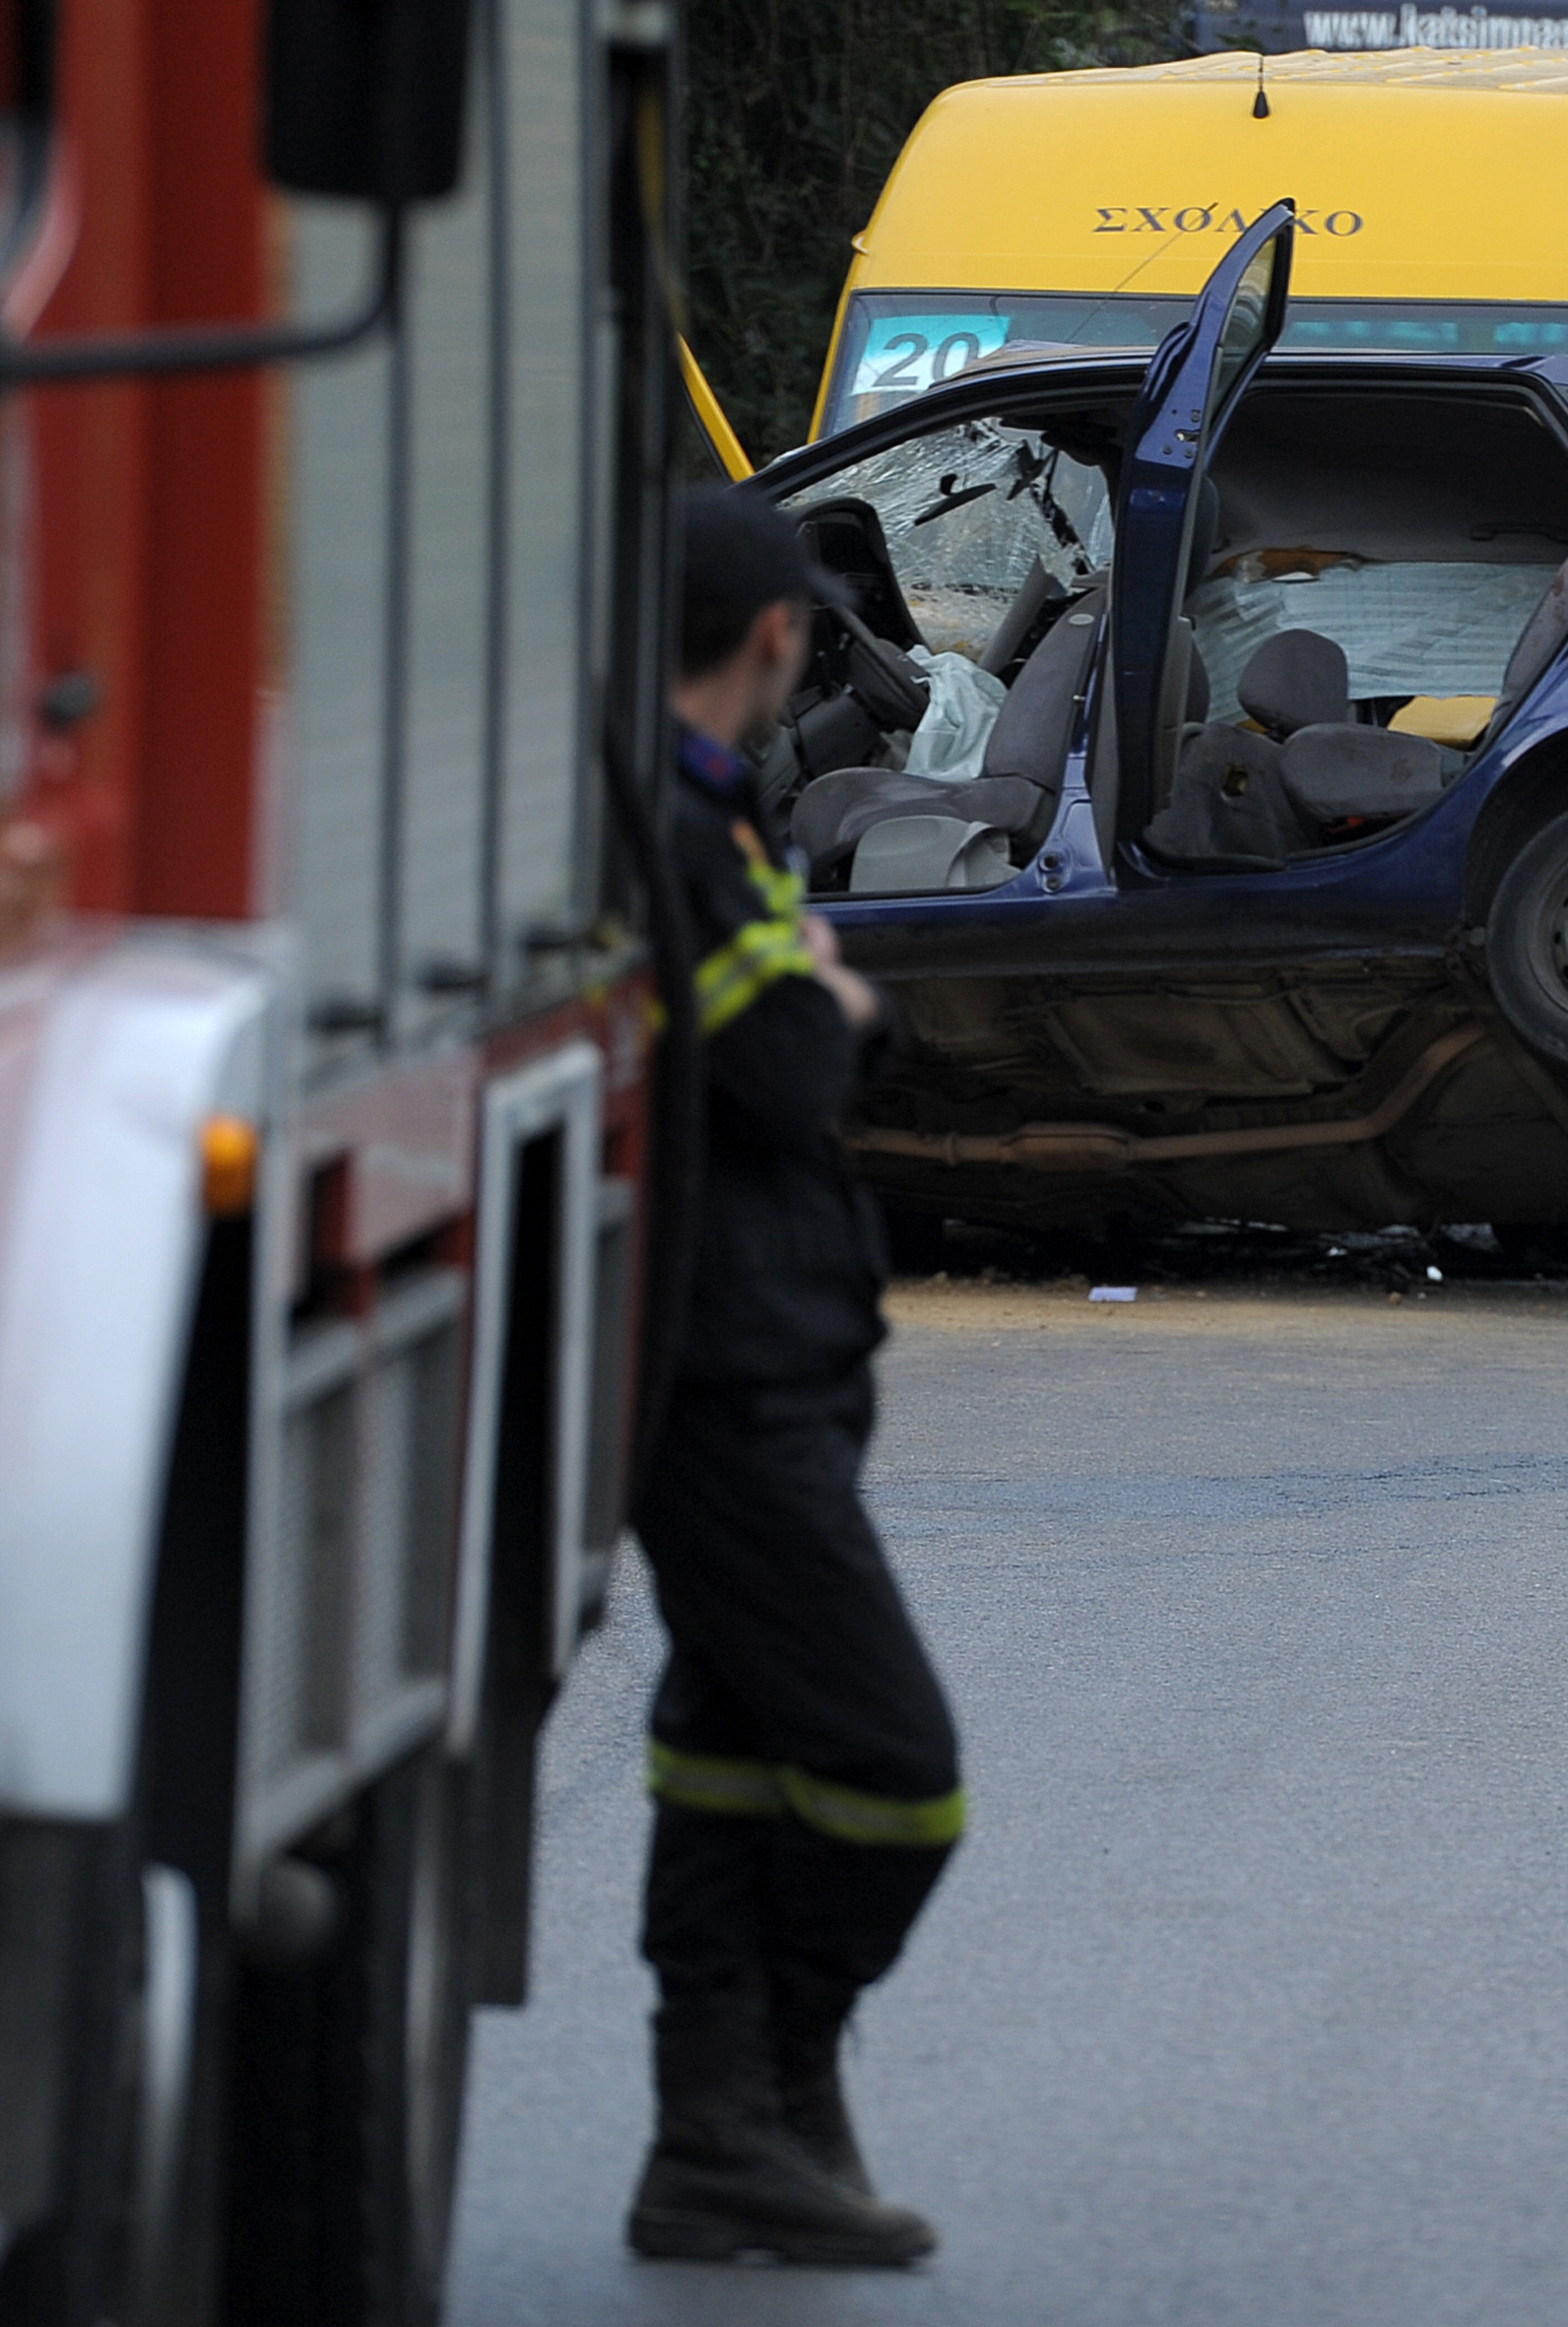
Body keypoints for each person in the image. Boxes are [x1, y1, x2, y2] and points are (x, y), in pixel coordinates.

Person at [622, 486, 962, 2269]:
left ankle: (716, 2140)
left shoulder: (683, 809)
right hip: (728, 1378)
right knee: (896, 1768)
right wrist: (833, 1011)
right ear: (772, 643)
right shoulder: (683, 830)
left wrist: (822, 1008)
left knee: (732, 1748)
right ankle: (776, 2071)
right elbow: (776, 1063)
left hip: (765, 1353)